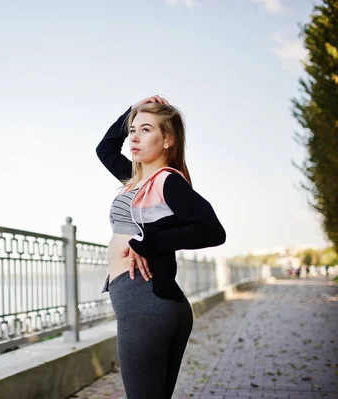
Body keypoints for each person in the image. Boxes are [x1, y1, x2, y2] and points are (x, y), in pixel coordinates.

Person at [96, 95, 226, 398]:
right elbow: (104, 149)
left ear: (167, 139)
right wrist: (132, 110)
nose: (134, 138)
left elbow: (211, 231)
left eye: (146, 130)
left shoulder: (166, 181)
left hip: (146, 306)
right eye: (132, 131)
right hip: (149, 305)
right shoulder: (136, 180)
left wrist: (148, 242)